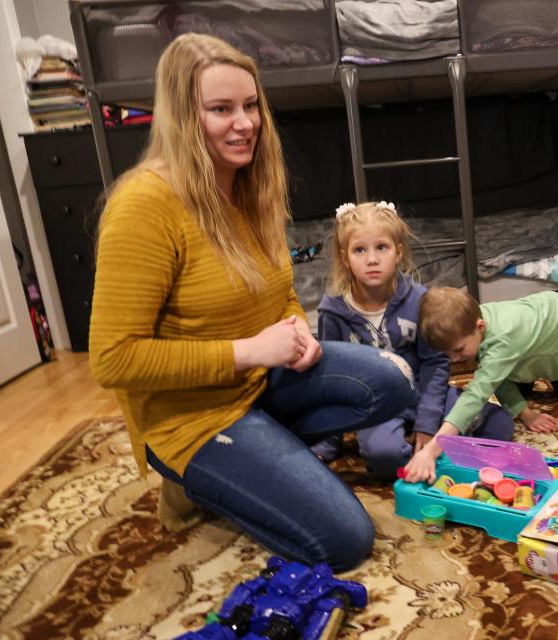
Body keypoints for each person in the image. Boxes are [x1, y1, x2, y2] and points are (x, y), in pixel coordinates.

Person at [88, 34, 417, 571]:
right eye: (221, 109)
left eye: (250, 106)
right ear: (181, 117)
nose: (244, 123)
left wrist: (298, 328)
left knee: (392, 380)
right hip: (191, 417)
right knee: (346, 540)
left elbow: (276, 286)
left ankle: (262, 451)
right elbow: (113, 359)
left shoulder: (247, 184)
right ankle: (195, 480)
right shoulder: (144, 206)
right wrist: (250, 350)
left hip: (262, 383)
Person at [312, 201, 515, 478]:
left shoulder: (419, 300)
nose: (372, 259)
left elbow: (435, 363)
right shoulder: (332, 311)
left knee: (500, 425)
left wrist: (428, 423)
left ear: (398, 252)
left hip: (422, 394)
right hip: (376, 407)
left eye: (381, 247)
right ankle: (422, 462)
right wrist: (328, 441)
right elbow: (330, 378)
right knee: (385, 458)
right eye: (360, 250)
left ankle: (432, 455)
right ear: (346, 258)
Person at [402, 287, 558, 483]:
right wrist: (525, 413)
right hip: (539, 310)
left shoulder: (502, 340)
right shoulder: (471, 324)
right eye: (447, 353)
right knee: (505, 376)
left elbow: (477, 394)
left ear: (481, 327)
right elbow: (495, 375)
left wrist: (434, 449)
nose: (453, 359)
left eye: (458, 350)